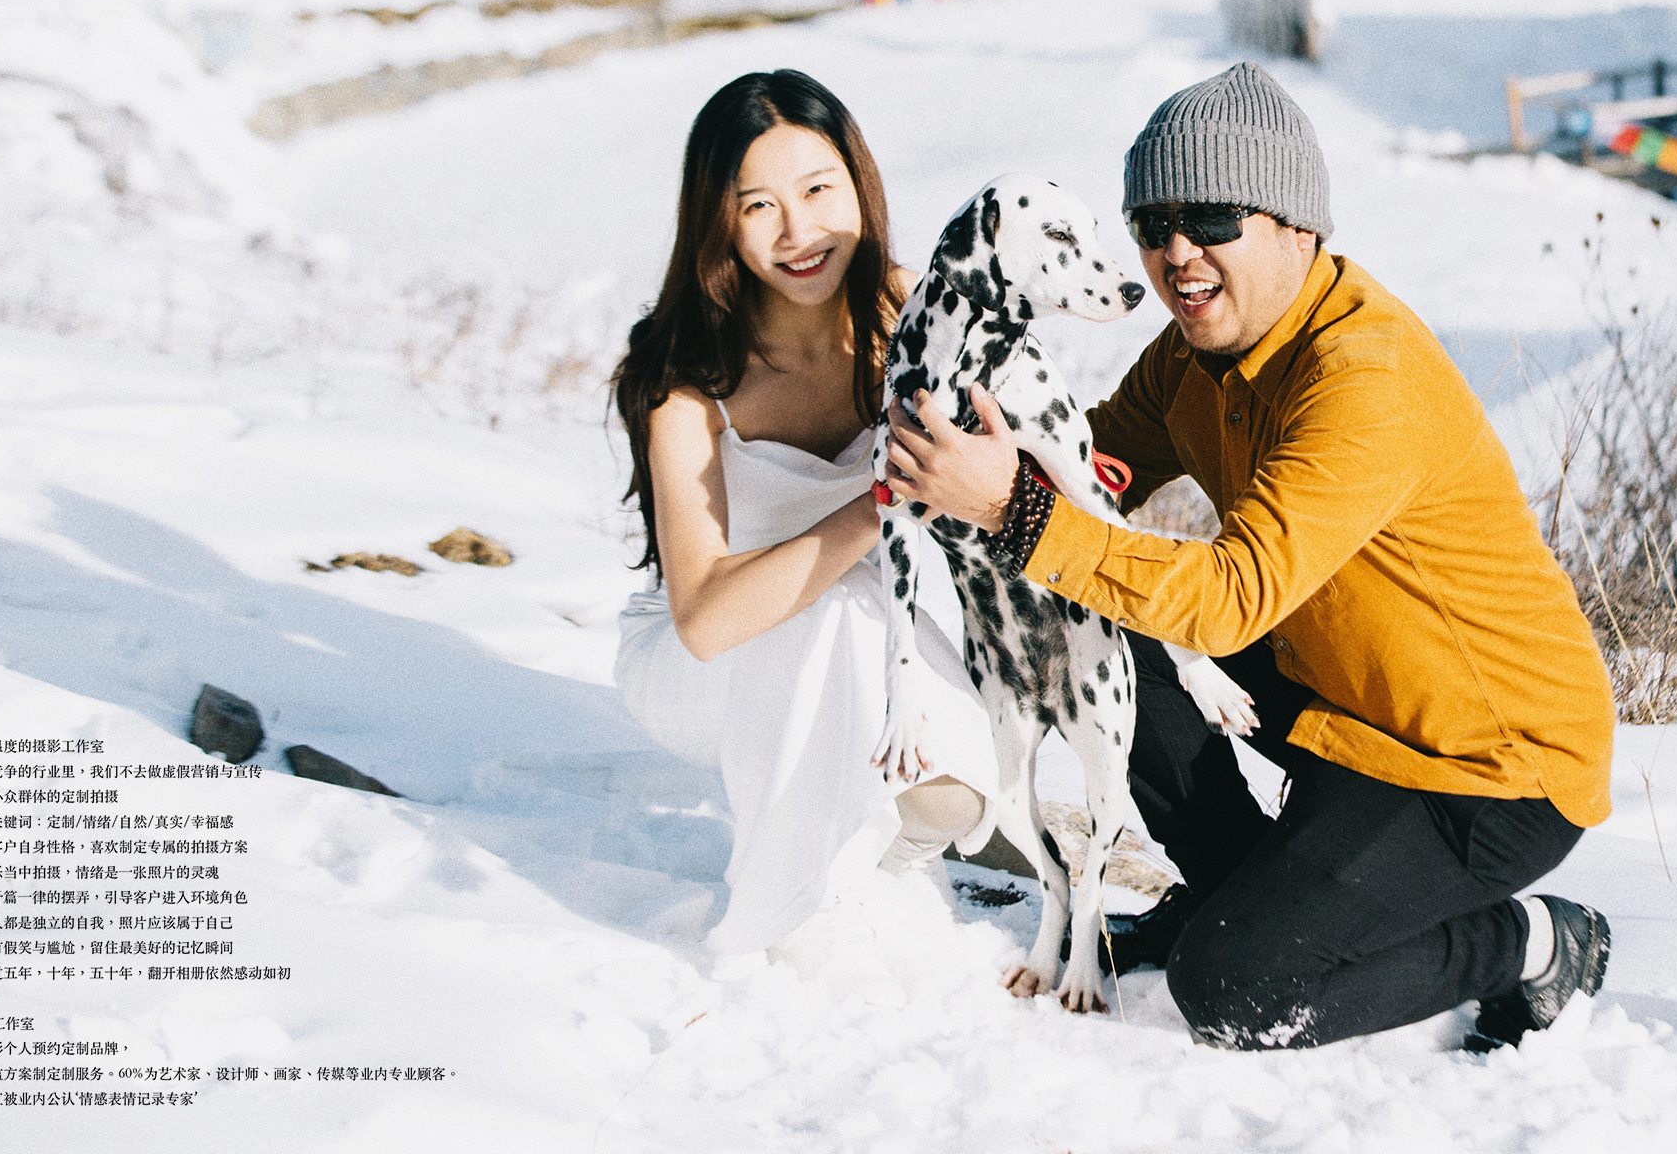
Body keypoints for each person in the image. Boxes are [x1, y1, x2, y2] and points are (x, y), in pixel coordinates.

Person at [886, 60, 1617, 1052]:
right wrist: (956, 415)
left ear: (1298, 227)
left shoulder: (1365, 377)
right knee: (1104, 613)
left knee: (1235, 989)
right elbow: (1091, 472)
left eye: (1214, 217)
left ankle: (1530, 942)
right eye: (1153, 223)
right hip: (1341, 701)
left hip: (1486, 766)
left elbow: (1229, 598)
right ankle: (1236, 885)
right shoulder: (1191, 358)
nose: (1177, 251)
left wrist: (1016, 510)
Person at [610, 68, 999, 960]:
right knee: (825, 606)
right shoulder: (685, 374)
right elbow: (704, 618)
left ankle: (868, 859)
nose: (799, 233)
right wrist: (883, 502)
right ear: (719, 221)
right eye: (758, 206)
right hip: (695, 661)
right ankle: (785, 920)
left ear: (858, 185)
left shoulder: (913, 311)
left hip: (857, 623)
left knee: (951, 797)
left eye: (820, 190)